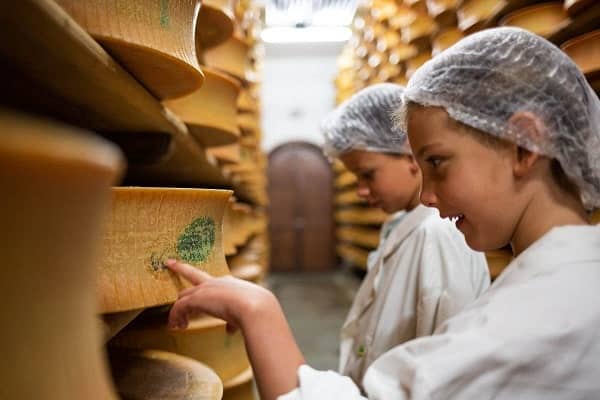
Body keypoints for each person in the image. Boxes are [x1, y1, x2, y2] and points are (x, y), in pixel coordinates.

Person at [166, 27, 600, 399]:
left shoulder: (543, 316)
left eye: (436, 162)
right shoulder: (555, 283)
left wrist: (257, 309)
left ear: (523, 145)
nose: (427, 195)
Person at [321, 83, 489, 388]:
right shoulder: (406, 226)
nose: (360, 190)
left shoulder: (439, 235)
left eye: (368, 174)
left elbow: (448, 367)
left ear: (410, 155)